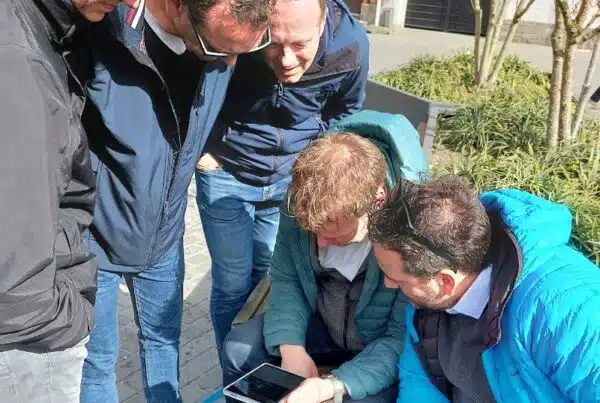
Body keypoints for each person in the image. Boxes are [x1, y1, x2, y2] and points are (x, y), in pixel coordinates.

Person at [80, 1, 271, 401]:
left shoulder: (225, 41)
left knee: (164, 344)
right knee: (96, 363)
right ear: (177, 5)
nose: (229, 63)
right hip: (96, 237)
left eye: (241, 51)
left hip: (164, 235)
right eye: (218, 48)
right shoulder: (104, 31)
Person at [195, 0, 369, 360]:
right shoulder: (239, 25)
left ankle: (259, 360)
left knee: (267, 275)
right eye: (273, 43)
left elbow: (346, 111)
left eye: (300, 44)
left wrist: (311, 163)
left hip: (290, 180)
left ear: (322, 21)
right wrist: (204, 146)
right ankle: (235, 371)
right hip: (227, 171)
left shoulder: (351, 45)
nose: (287, 60)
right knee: (231, 284)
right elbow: (199, 87)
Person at [222, 120, 427, 403]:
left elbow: (399, 338)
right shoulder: (301, 202)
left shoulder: (412, 229)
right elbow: (288, 279)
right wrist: (291, 346)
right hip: (320, 324)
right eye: (313, 231)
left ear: (376, 202)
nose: (320, 243)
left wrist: (334, 385)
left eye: (335, 233)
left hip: (379, 345)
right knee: (238, 351)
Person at [0, 0, 135, 401]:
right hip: (30, 341)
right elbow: (15, 282)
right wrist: (71, 320)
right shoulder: (18, 64)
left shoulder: (51, 29)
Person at [369, 175, 600, 403]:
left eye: (397, 279)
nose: (389, 285)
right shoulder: (426, 302)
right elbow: (420, 382)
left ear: (445, 282)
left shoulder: (567, 310)